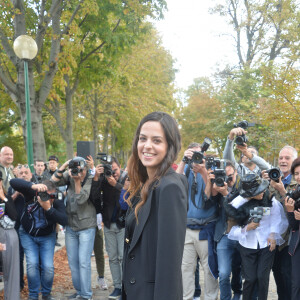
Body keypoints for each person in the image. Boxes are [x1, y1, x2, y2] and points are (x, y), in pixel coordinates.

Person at [122, 111, 188, 300]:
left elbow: (170, 263)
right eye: (143, 139)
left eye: (157, 140)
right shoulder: (145, 184)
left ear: (170, 146)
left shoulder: (170, 188)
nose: (147, 146)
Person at [225, 173, 288, 300]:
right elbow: (231, 229)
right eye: (258, 191)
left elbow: (277, 218)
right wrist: (247, 228)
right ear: (249, 193)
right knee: (250, 278)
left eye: (262, 188)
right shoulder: (236, 204)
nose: (262, 192)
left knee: (262, 277)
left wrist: (273, 234)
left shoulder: (269, 198)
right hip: (247, 244)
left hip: (266, 244)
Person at [10, 178, 68, 300]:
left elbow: (64, 220)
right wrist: (33, 186)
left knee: (48, 267)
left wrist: (49, 208)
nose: (50, 198)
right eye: (47, 195)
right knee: (32, 264)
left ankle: (46, 294)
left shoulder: (57, 198)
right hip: (27, 234)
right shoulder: (32, 193)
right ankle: (33, 295)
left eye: (52, 195)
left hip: (47, 236)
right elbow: (13, 182)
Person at [176, 143, 219, 300]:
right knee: (185, 269)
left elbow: (213, 194)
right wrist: (183, 160)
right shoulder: (185, 170)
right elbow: (173, 183)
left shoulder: (209, 170)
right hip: (186, 228)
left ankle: (210, 297)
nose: (195, 159)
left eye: (198, 155)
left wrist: (202, 171)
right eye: (192, 155)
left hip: (206, 228)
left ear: (204, 156)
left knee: (209, 270)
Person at [51, 157, 96, 300]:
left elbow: (81, 199)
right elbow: (52, 181)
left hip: (86, 226)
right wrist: (65, 165)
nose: (79, 172)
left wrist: (77, 181)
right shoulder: (70, 175)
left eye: (81, 169)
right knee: (73, 262)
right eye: (75, 168)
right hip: (70, 225)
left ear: (86, 169)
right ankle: (80, 291)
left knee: (83, 261)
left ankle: (86, 295)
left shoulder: (89, 177)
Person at [262, 145, 298, 300]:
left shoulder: (296, 182)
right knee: (278, 275)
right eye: (281, 158)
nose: (283, 161)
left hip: (290, 239)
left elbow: (292, 208)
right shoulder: (272, 178)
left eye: (287, 158)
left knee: (289, 277)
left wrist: (282, 190)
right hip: (272, 238)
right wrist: (264, 186)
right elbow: (264, 207)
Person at [90, 157, 127, 300]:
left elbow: (128, 197)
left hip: (122, 224)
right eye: (110, 170)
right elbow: (94, 197)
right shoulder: (103, 180)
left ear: (120, 168)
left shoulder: (126, 179)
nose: (113, 173)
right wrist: (96, 177)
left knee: (122, 257)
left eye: (115, 170)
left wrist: (116, 184)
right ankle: (117, 286)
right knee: (112, 258)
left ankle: (126, 287)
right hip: (108, 223)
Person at [0, 170, 20, 300]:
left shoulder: (6, 197)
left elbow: (14, 216)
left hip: (7, 235)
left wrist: (3, 197)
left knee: (10, 271)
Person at [285, 157, 300, 300]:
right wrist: (290, 210)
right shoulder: (296, 193)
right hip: (297, 246)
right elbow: (294, 226)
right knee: (296, 284)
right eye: (296, 173)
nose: (299, 176)